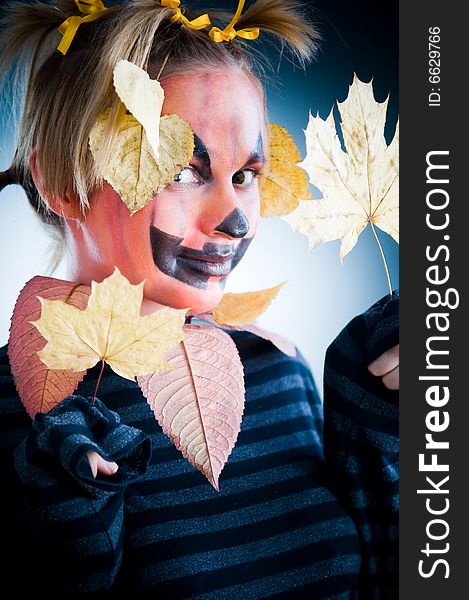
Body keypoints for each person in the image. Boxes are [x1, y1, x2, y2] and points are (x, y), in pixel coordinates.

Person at [0, 0, 399, 597]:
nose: (235, 221)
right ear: (61, 181)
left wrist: (375, 424)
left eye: (245, 176)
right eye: (184, 172)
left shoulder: (277, 368)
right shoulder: (16, 418)